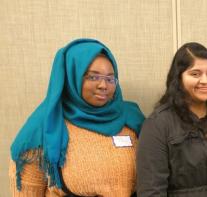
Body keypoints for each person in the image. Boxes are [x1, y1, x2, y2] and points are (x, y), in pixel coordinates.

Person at [9, 38, 145, 196]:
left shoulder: (133, 118)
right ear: (71, 76)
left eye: (110, 79)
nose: (103, 85)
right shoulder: (43, 128)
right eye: (93, 77)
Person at [136, 42, 207, 196]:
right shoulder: (158, 124)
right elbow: (151, 191)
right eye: (195, 74)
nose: (205, 81)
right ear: (178, 78)